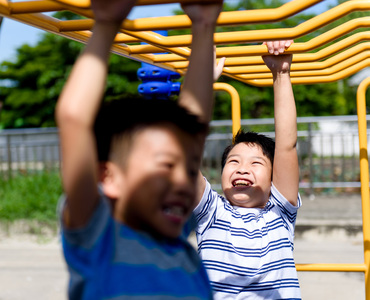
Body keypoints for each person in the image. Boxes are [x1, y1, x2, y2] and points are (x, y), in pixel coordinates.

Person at [55, 0, 223, 299]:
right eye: (165, 167)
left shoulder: (179, 248)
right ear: (109, 177)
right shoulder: (101, 237)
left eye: (188, 169)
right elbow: (73, 119)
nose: (184, 182)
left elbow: (194, 131)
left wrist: (204, 24)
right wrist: (106, 24)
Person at [193, 40, 302, 299]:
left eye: (256, 163)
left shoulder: (280, 211)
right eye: (233, 162)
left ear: (274, 177)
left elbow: (286, 145)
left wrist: (281, 74)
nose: (242, 169)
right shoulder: (210, 212)